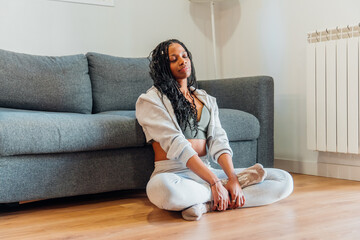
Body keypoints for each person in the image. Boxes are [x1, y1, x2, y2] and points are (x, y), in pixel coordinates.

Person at [135, 39, 293, 221]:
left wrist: (232, 177)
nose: (183, 61)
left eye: (185, 56)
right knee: (163, 191)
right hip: (173, 174)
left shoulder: (206, 99)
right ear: (163, 66)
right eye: (174, 59)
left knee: (283, 180)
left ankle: (205, 205)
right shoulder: (150, 100)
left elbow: (219, 140)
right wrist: (214, 182)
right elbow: (176, 144)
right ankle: (223, 193)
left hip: (207, 171)